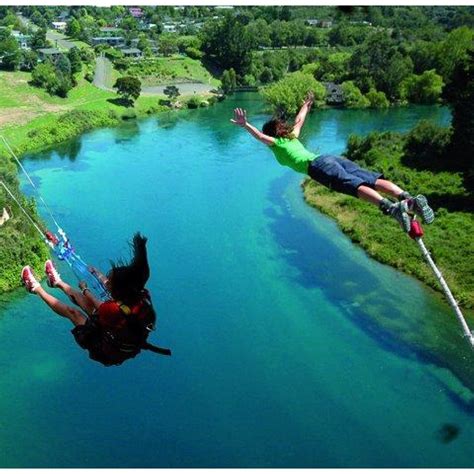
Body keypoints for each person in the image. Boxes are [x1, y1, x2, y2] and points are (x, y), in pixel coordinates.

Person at [230, 93, 434, 232]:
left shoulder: (276, 144)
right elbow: (300, 120)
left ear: (271, 135)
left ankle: (391, 208)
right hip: (329, 158)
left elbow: (259, 137)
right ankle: (407, 198)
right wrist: (307, 104)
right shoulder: (291, 136)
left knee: (353, 186)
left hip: (318, 167)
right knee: (370, 179)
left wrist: (245, 124)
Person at [21, 233, 170, 366]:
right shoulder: (139, 296)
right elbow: (108, 290)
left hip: (105, 348)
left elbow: (97, 305)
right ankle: (57, 283)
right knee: (87, 303)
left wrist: (85, 289)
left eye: (109, 282)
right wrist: (97, 274)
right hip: (116, 333)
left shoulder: (113, 309)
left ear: (118, 290)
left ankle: (35, 288)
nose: (106, 282)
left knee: (75, 313)